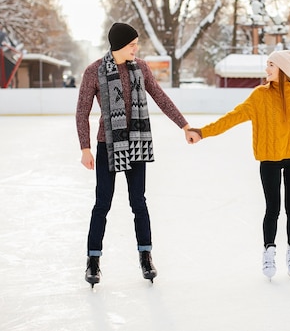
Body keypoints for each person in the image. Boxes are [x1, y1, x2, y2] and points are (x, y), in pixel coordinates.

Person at [76, 22, 200, 287]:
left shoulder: (141, 68)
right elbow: (82, 111)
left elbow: (160, 96)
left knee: (138, 201)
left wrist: (185, 126)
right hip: (107, 144)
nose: (136, 48)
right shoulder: (94, 71)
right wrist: (85, 148)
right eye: (132, 44)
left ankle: (146, 256)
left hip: (136, 143)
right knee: (103, 203)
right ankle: (93, 261)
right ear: (119, 45)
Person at [188, 50, 290, 280]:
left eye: (271, 64)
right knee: (272, 208)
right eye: (267, 64)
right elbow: (232, 117)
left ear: (283, 69)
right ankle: (269, 251)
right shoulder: (259, 96)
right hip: (269, 157)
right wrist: (203, 132)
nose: (266, 68)